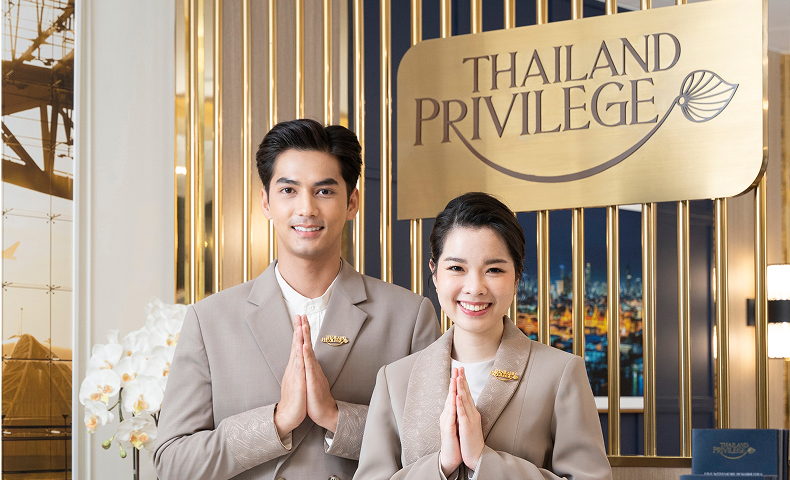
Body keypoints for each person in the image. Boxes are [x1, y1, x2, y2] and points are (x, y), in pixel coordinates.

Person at [154, 119, 440, 480]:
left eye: (324, 191)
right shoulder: (209, 320)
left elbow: (433, 449)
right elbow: (171, 463)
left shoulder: (409, 317)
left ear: (352, 202)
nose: (306, 209)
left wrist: (337, 417)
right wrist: (275, 422)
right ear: (266, 202)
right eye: (289, 191)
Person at [354, 192, 612, 480]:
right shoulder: (395, 379)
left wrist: (484, 461)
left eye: (494, 269)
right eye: (456, 268)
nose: (475, 287)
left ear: (516, 277)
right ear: (435, 274)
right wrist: (441, 466)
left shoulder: (560, 373)